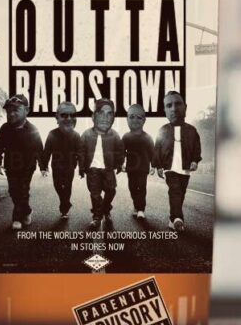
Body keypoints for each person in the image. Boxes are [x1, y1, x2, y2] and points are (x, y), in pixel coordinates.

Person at [0, 94, 44, 231]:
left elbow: (39, 149)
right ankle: (27, 211)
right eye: (9, 111)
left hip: (28, 167)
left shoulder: (33, 130)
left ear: (26, 111)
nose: (11, 114)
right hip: (11, 165)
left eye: (16, 110)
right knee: (13, 190)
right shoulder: (5, 129)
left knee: (23, 189)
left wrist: (43, 167)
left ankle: (16, 218)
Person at [152, 91, 202, 233]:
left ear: (185, 107)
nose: (174, 109)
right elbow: (157, 149)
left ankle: (172, 218)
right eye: (169, 105)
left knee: (181, 192)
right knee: (174, 189)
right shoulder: (162, 130)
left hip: (185, 168)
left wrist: (195, 160)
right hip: (169, 167)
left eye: (178, 104)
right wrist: (158, 166)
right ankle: (179, 218)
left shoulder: (192, 131)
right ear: (165, 111)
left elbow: (197, 148)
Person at [79, 98, 124, 230]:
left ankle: (106, 209)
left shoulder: (115, 135)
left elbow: (120, 151)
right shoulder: (86, 134)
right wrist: (81, 167)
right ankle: (97, 217)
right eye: (101, 113)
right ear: (93, 116)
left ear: (113, 118)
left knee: (111, 190)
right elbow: (81, 151)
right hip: (92, 170)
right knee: (95, 194)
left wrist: (120, 163)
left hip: (108, 169)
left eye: (109, 113)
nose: (105, 117)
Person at [40, 101, 82, 221]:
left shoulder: (76, 136)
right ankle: (65, 202)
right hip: (56, 167)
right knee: (57, 185)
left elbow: (80, 153)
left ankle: (64, 208)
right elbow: (46, 151)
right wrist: (43, 167)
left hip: (70, 167)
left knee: (67, 186)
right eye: (64, 115)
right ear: (57, 117)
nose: (69, 119)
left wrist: (82, 168)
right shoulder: (52, 134)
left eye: (72, 115)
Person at [122, 103, 155, 220]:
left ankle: (141, 209)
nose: (135, 120)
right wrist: (121, 163)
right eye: (131, 117)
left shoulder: (148, 137)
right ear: (127, 119)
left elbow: (152, 153)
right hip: (131, 168)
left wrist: (154, 166)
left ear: (144, 120)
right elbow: (121, 152)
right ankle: (136, 206)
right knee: (132, 187)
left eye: (139, 117)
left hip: (143, 168)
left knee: (142, 188)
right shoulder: (125, 137)